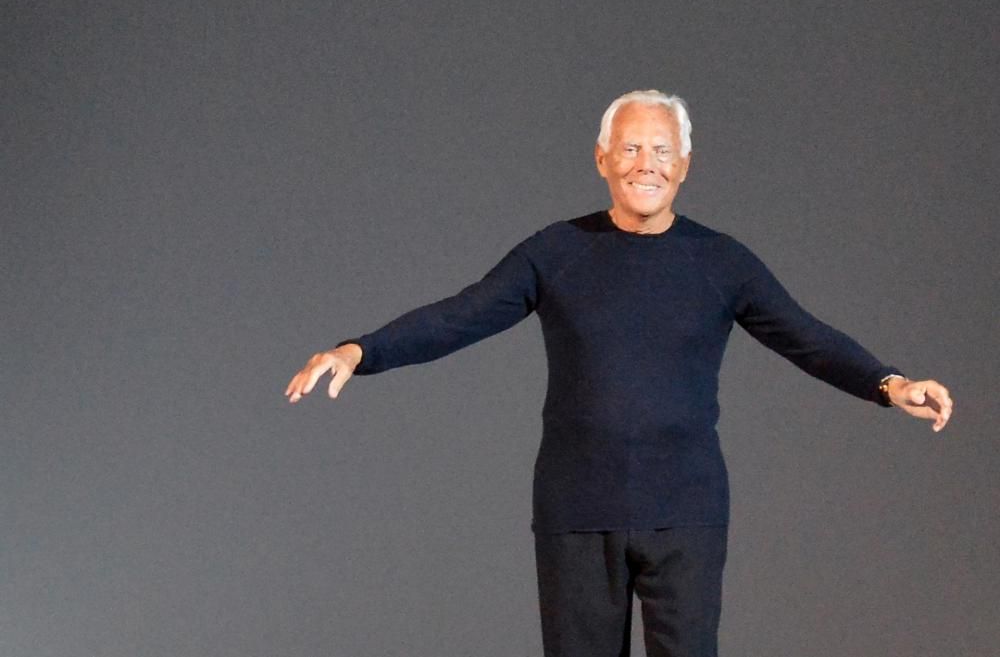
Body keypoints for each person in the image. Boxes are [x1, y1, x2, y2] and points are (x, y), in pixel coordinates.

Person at [285, 90, 953, 657]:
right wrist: (359, 352)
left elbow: (806, 336)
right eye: (630, 148)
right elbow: (463, 315)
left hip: (686, 512)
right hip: (576, 512)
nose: (645, 164)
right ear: (602, 158)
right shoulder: (557, 252)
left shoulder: (721, 262)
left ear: (684, 165)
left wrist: (889, 384)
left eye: (661, 150)